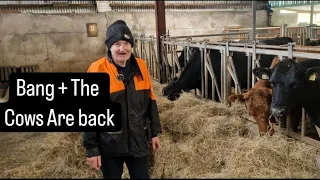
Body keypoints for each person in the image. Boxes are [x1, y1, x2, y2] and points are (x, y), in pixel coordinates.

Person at [82, 20, 162, 179]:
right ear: (109, 46)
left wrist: (154, 133)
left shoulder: (141, 66)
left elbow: (150, 102)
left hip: (138, 140)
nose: (122, 48)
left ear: (131, 46)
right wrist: (92, 149)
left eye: (126, 43)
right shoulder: (97, 69)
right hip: (109, 145)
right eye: (117, 43)